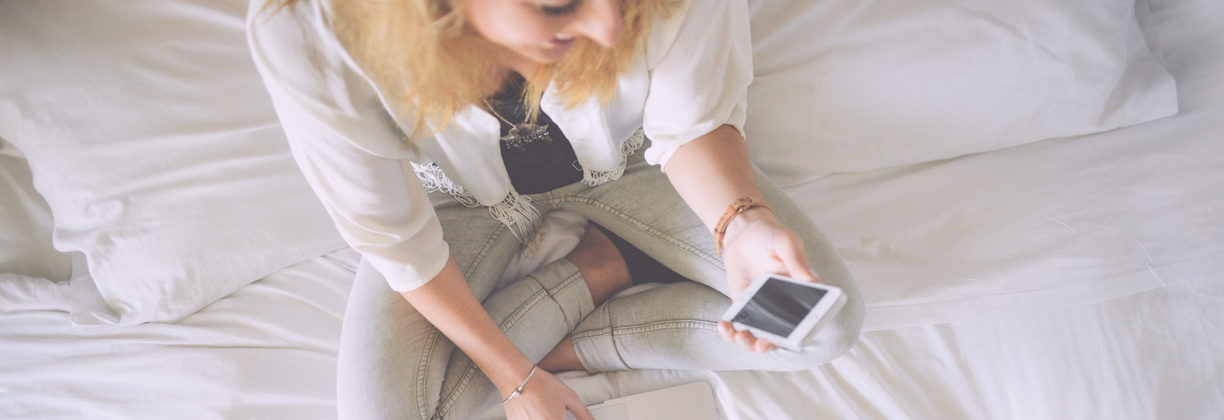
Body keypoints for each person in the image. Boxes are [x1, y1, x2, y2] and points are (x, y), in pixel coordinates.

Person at [248, 0, 864, 418]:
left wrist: (741, 220)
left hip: (637, 162)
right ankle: (601, 268)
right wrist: (515, 378)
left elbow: (690, 123)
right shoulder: (311, 29)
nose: (609, 32)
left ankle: (590, 300)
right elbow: (397, 240)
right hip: (453, 200)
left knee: (820, 327)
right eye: (558, 3)